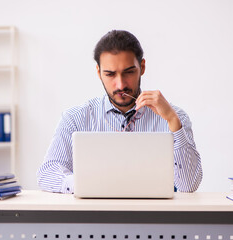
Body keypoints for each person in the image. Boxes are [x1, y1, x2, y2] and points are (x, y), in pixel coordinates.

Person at [37, 30, 202, 193]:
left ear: (142, 67)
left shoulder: (175, 117)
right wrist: (85, 184)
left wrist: (173, 121)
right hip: (96, 216)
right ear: (99, 73)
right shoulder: (75, 118)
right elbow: (47, 173)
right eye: (110, 74)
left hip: (154, 217)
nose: (120, 85)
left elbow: (189, 186)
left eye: (129, 72)